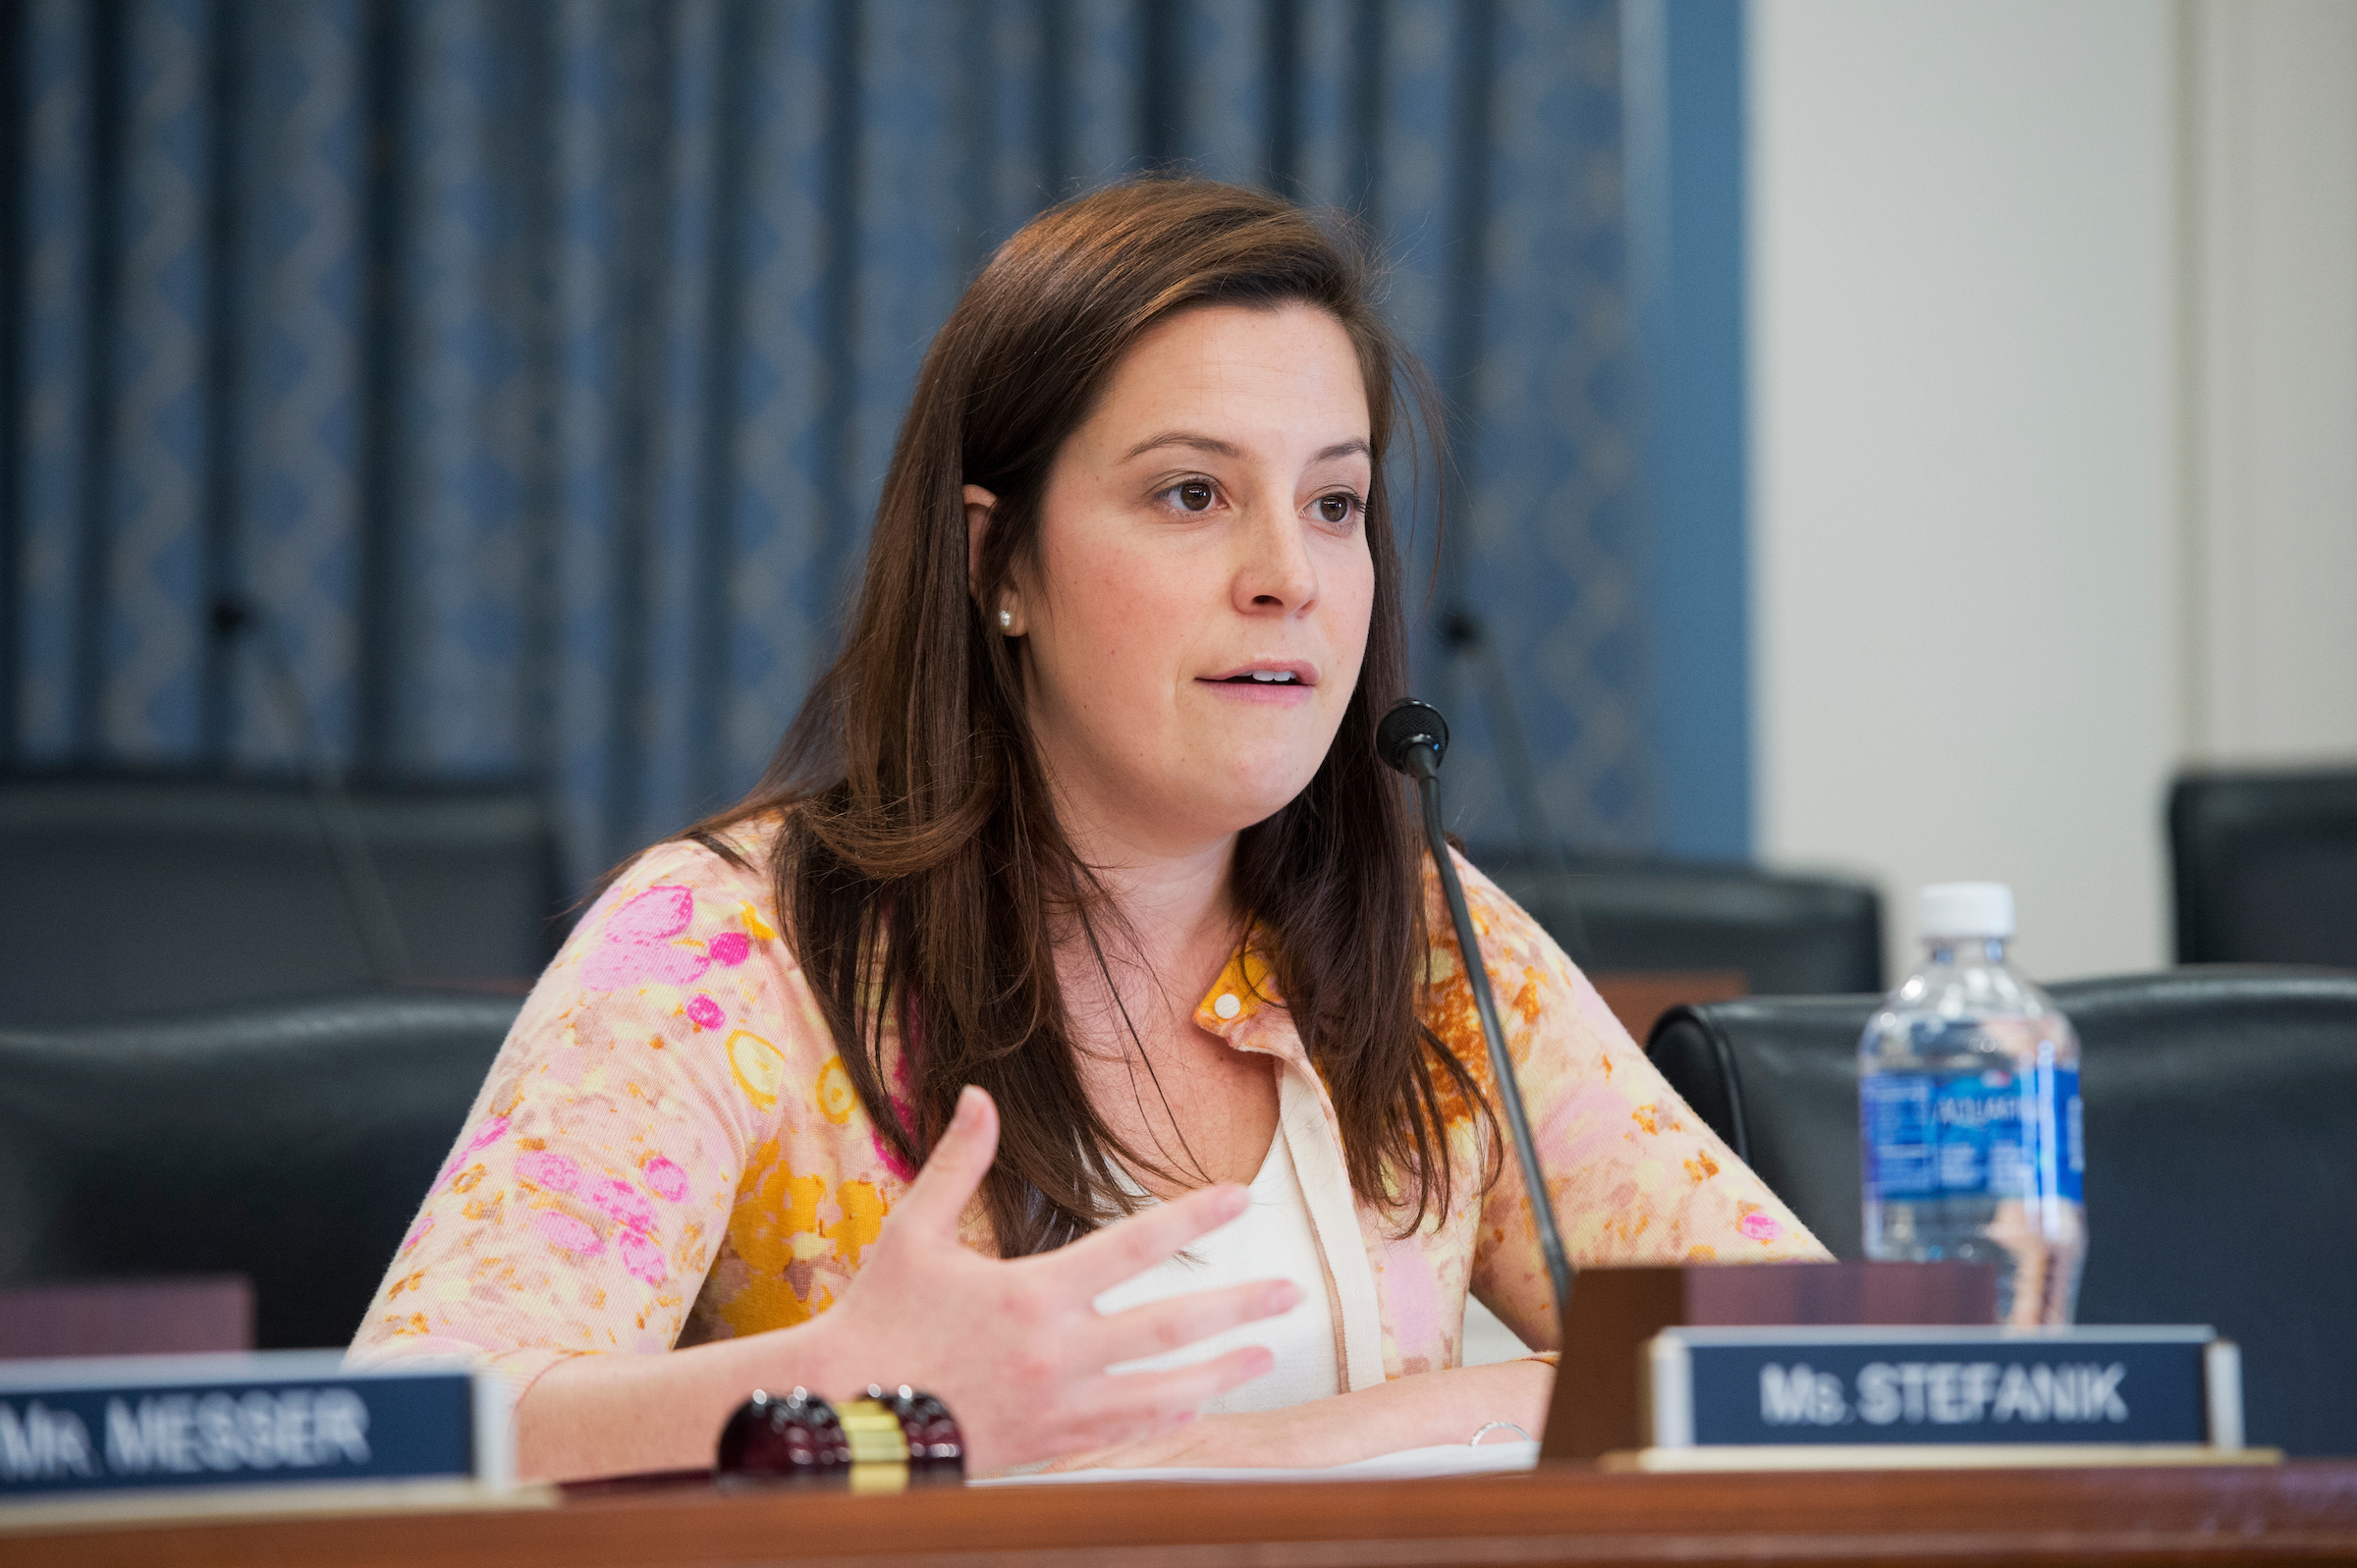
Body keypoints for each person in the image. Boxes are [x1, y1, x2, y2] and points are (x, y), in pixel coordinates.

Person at [349, 178, 1825, 1483]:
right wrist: (842, 1400)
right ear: (1001, 560)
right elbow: (411, 1420)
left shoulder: (1427, 935)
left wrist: (1291, 1448)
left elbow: (1807, 1368)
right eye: (1193, 493)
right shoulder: (730, 939)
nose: (1287, 577)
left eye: (1335, 503)